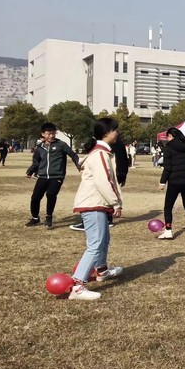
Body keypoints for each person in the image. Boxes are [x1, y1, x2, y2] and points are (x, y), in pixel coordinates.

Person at [68, 118, 124, 300]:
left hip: (97, 203)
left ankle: (102, 270)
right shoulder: (100, 154)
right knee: (95, 244)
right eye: (115, 130)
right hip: (93, 203)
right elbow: (104, 181)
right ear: (107, 133)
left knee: (103, 240)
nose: (117, 133)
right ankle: (77, 286)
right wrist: (115, 203)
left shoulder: (101, 152)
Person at [25, 122, 81, 228]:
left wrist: (79, 166)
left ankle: (49, 217)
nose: (51, 136)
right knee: (35, 197)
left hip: (57, 176)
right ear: (43, 134)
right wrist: (30, 171)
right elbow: (36, 162)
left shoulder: (61, 145)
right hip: (43, 176)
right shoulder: (39, 148)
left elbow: (73, 155)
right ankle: (35, 218)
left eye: (53, 133)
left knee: (51, 194)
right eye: (48, 133)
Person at [69, 136, 129, 232]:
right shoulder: (110, 146)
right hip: (115, 172)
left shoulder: (100, 151)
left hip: (111, 173)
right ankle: (108, 219)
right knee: (104, 192)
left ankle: (101, 220)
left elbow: (103, 181)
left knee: (101, 191)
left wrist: (116, 204)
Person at [158, 127, 185, 239]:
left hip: (174, 181)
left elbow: (167, 167)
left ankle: (168, 230)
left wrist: (162, 182)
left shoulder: (168, 148)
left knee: (168, 207)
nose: (167, 139)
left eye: (167, 137)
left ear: (171, 136)